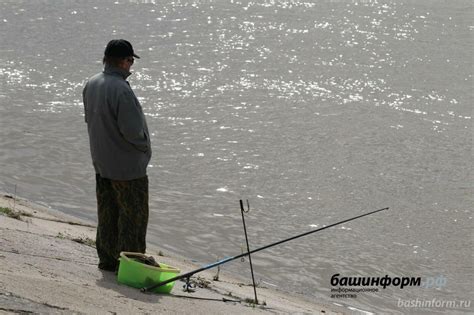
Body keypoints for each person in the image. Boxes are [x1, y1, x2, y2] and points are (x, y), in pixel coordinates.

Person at [82, 39, 152, 271]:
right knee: (133, 218)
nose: (131, 66)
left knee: (107, 214)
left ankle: (108, 260)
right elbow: (133, 131)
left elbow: (90, 120)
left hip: (102, 163)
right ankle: (130, 265)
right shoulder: (121, 89)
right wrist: (144, 148)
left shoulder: (91, 83)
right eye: (131, 60)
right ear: (124, 61)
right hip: (128, 168)